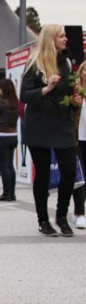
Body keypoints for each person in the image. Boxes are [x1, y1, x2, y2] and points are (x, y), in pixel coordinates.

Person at [19, 25, 78, 237]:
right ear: (51, 39)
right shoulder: (34, 63)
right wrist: (47, 88)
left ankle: (61, 216)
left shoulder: (67, 63)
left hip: (63, 123)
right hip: (39, 125)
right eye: (61, 36)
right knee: (42, 174)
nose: (65, 39)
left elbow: (70, 91)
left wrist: (74, 100)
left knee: (69, 171)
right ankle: (43, 220)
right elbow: (24, 95)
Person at [70, 60, 86, 228]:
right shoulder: (75, 92)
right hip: (77, 139)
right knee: (80, 177)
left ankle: (79, 211)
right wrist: (76, 104)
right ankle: (80, 212)